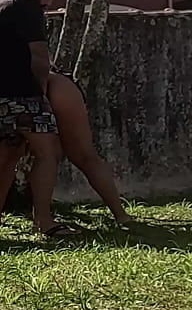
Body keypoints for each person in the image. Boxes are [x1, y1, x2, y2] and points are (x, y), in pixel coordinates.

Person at [0, 0, 80, 237]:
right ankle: (43, 222)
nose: (48, 4)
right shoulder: (28, 8)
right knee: (47, 153)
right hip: (24, 93)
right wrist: (43, 90)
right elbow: (40, 57)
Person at [45, 68, 135, 226]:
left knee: (44, 157)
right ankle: (120, 214)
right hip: (54, 84)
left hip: (32, 88)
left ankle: (40, 218)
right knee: (83, 157)